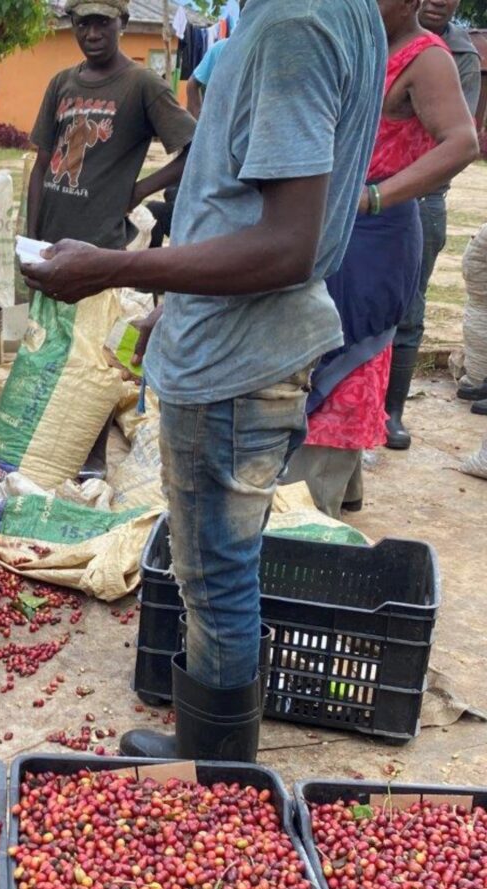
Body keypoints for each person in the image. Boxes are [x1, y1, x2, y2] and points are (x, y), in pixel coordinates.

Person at [22, 0, 387, 763]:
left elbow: (288, 243)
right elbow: (250, 206)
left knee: (215, 573)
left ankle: (215, 766)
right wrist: (175, 305)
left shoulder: (296, 22)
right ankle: (214, 751)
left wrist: (113, 267)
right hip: (239, 334)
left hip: (236, 360)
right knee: (220, 565)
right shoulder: (332, 10)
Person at [283, 0, 478, 517]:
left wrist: (374, 195)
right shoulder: (360, 43)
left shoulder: (426, 58)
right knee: (320, 348)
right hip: (334, 223)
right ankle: (341, 492)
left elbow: (462, 142)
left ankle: (311, 516)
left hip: (374, 232)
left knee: (344, 358)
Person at [26, 0, 195, 254]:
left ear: (123, 22)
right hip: (49, 243)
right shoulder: (61, 83)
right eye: (83, 23)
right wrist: (32, 236)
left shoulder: (142, 84)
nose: (92, 34)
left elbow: (197, 149)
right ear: (72, 24)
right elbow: (41, 166)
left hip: (101, 247)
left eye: (103, 23)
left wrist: (139, 191)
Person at [395, 0, 485, 428]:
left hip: (420, 198)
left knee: (409, 308)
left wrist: (381, 194)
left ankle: (391, 413)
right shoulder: (375, 36)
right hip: (367, 193)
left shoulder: (457, 55)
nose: (438, 0)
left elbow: (453, 139)